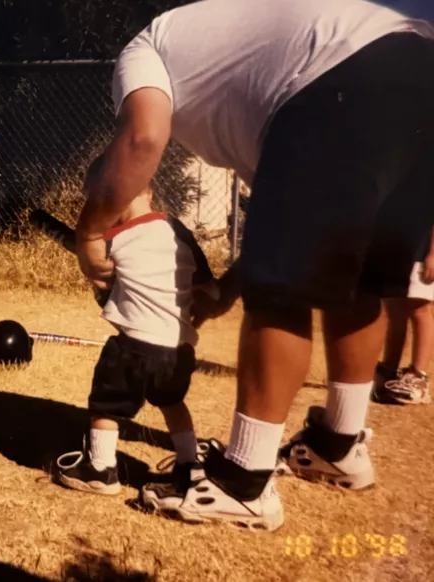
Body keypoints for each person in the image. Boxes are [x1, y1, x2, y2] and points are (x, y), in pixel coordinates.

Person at [74, 0, 434, 532]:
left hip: (338, 80)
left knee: (280, 296)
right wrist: (227, 290)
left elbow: (141, 139)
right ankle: (339, 443)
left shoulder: (143, 49)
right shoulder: (242, 74)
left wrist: (88, 231)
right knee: (360, 277)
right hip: (418, 70)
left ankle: (242, 481)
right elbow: (289, 230)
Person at [56, 154, 217, 497]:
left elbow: (103, 283)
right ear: (150, 192)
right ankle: (190, 464)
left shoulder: (112, 240)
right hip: (179, 349)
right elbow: (207, 289)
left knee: (106, 405)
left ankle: (100, 468)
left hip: (134, 347)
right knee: (173, 403)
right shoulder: (179, 232)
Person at [374, 225, 434, 405]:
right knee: (394, 310)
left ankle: (418, 378)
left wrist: (432, 254)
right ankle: (388, 371)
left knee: (419, 309)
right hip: (395, 248)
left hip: (422, 251)